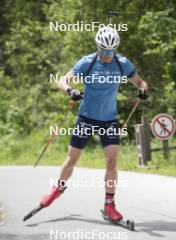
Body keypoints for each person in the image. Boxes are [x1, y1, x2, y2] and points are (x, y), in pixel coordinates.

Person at [40, 26, 148, 221]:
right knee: (71, 160)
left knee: (112, 161)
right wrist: (70, 91)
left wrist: (143, 90)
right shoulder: (87, 62)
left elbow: (141, 82)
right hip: (86, 118)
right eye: (104, 51)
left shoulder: (122, 63)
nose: (107, 55)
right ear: (98, 47)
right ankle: (57, 189)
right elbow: (62, 81)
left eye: (111, 51)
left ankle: (109, 205)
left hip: (109, 120)